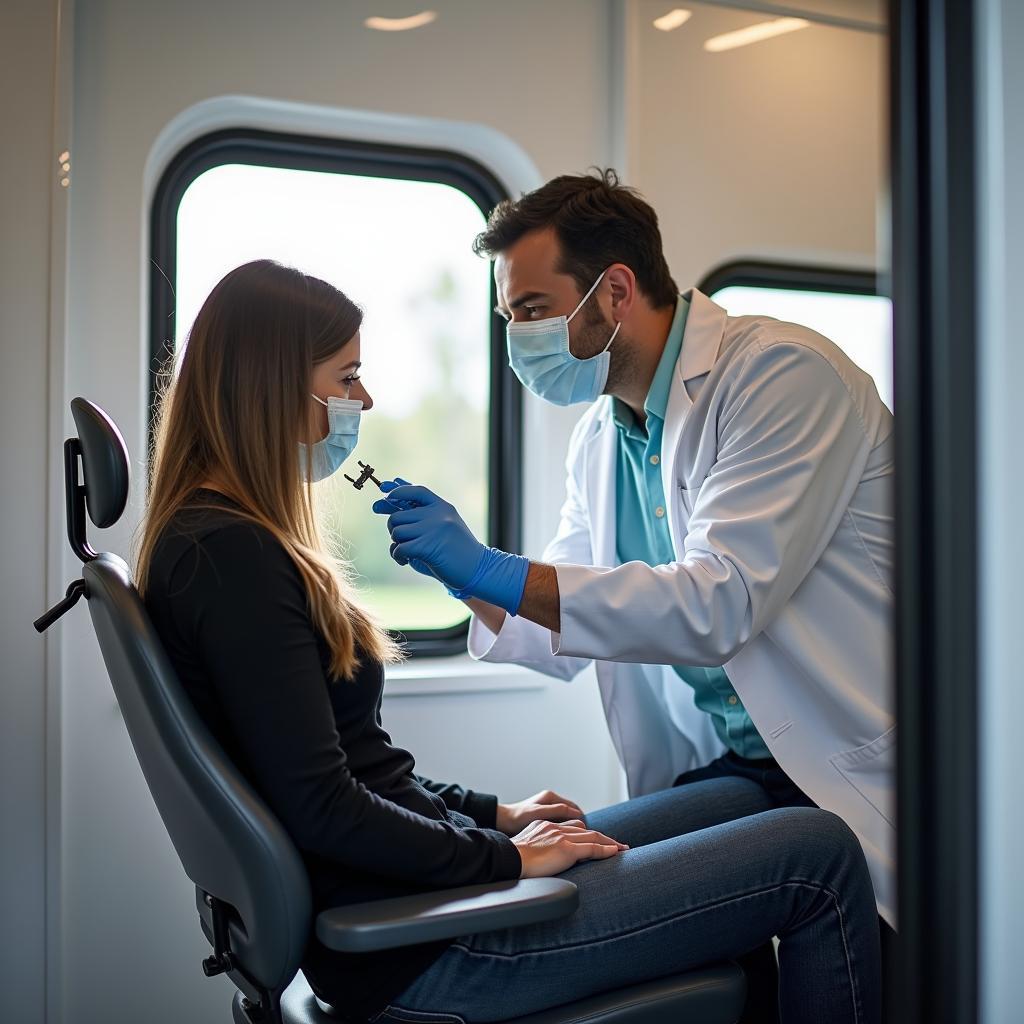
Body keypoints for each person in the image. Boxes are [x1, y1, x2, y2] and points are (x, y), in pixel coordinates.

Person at [136, 259, 881, 1024]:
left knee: (733, 802)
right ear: (273, 383)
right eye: (348, 376)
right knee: (817, 850)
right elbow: (326, 804)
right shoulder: (231, 559)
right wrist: (509, 859)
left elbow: (359, 768)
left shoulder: (219, 545)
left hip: (409, 902)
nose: (364, 399)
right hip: (425, 944)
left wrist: (495, 815)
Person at [375, 170, 896, 937]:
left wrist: (493, 567)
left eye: (532, 310)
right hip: (745, 765)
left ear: (615, 291)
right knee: (586, 872)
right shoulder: (603, 438)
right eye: (508, 314)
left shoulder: (781, 376)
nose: (516, 337)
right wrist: (464, 578)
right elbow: (554, 633)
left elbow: (716, 606)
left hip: (845, 757)